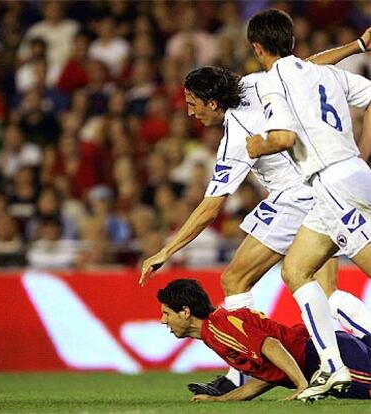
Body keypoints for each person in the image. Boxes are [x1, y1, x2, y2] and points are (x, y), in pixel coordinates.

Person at [140, 29, 371, 396]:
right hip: (323, 185)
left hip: (299, 194)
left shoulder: (235, 140)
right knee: (321, 291)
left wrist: (168, 250)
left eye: (192, 103)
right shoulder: (253, 83)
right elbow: (305, 68)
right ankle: (333, 365)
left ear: (213, 103)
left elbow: (211, 207)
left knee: (236, 280)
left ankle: (246, 371)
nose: (189, 112)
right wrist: (356, 47)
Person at [245, 9, 371, 401]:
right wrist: (363, 155)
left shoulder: (271, 83)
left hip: (333, 181)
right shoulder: (323, 72)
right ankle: (333, 368)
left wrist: (257, 144)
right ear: (293, 43)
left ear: (256, 48)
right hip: (344, 177)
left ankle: (334, 366)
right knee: (297, 270)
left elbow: (281, 138)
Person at [157, 279, 371, 402]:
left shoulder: (217, 328)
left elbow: (271, 345)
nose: (163, 321)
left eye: (167, 313)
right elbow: (270, 376)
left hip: (321, 357)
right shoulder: (215, 328)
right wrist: (221, 400)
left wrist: (301, 385)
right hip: (323, 353)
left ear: (185, 312)